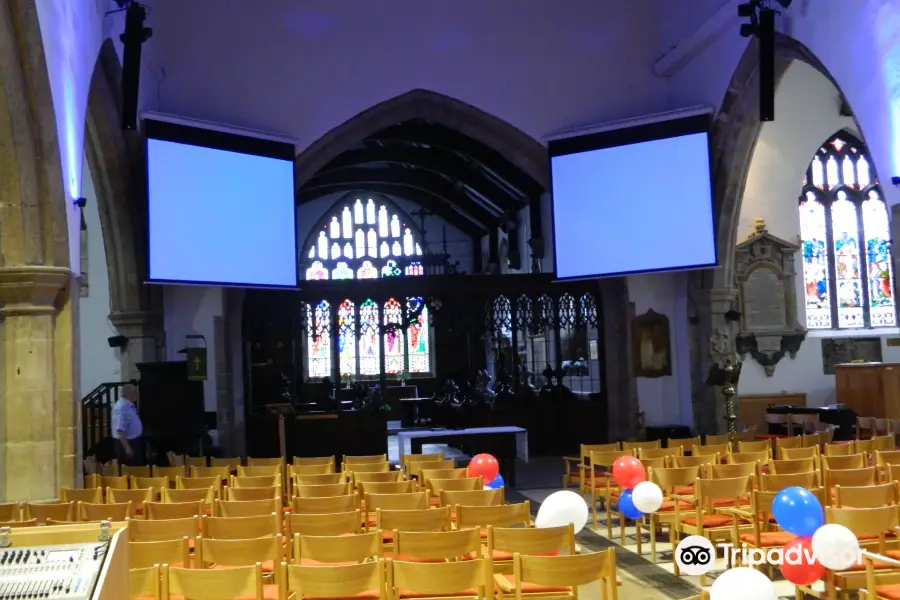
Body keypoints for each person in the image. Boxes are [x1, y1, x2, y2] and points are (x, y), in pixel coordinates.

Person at [112, 382, 144, 466]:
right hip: (126, 443)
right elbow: (120, 430)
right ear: (130, 394)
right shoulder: (122, 407)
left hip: (133, 441)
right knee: (129, 469)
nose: (137, 395)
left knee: (136, 468)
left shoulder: (129, 405)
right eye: (135, 393)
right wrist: (127, 448)